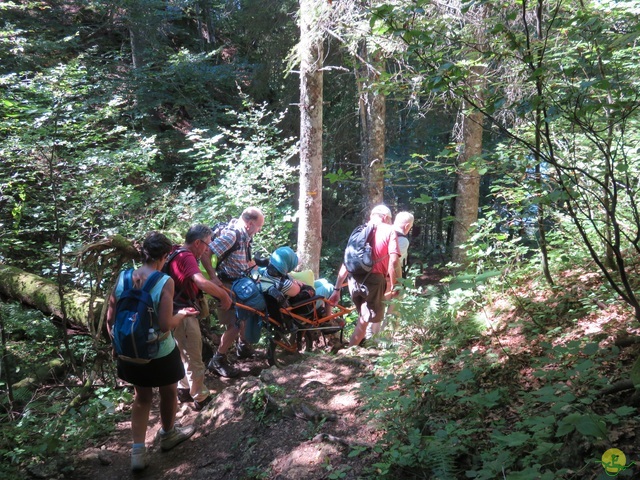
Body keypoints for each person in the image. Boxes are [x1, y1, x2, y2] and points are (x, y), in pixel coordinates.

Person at [106, 232, 198, 472]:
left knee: (142, 397)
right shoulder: (164, 281)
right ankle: (168, 435)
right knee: (169, 392)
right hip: (158, 352)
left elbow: (110, 319)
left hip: (128, 350)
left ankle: (138, 453)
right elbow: (166, 324)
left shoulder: (124, 276)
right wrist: (183, 314)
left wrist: (119, 344)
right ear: (165, 256)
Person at [165, 224, 233, 410]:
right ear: (197, 242)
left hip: (174, 312)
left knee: (184, 353)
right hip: (184, 314)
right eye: (206, 245)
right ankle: (201, 398)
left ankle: (184, 389)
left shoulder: (175, 251)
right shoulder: (186, 257)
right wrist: (223, 295)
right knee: (194, 355)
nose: (207, 249)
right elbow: (200, 282)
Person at [201, 207, 265, 377]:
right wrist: (213, 277)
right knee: (234, 324)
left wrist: (260, 274)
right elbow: (205, 253)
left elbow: (247, 260)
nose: (259, 230)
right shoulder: (232, 236)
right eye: (259, 226)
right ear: (250, 224)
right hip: (226, 284)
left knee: (245, 313)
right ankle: (218, 360)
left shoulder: (245, 237)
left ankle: (242, 348)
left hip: (240, 283)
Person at [328, 205, 401, 347]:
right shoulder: (390, 230)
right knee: (365, 318)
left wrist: (337, 289)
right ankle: (351, 350)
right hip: (373, 281)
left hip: (353, 280)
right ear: (386, 217)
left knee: (363, 317)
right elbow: (394, 261)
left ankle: (355, 346)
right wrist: (395, 284)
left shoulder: (359, 231)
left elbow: (347, 261)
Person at [366, 211, 414, 339]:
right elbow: (393, 262)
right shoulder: (402, 240)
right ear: (407, 225)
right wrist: (395, 284)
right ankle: (385, 340)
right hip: (388, 280)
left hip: (372, 277)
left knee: (376, 308)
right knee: (393, 310)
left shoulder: (382, 233)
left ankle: (371, 339)